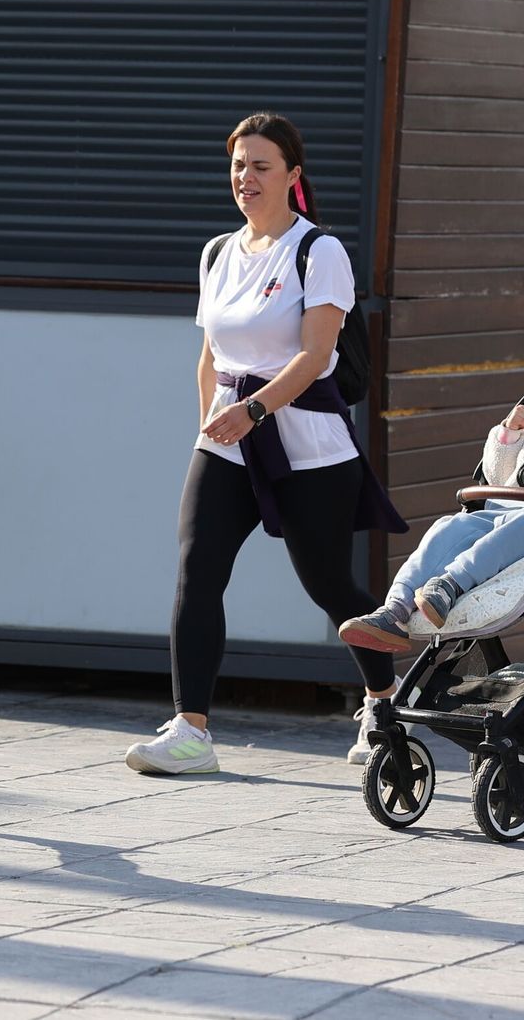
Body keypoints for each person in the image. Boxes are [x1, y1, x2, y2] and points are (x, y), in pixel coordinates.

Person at [124, 112, 407, 777]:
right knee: (198, 571)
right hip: (228, 440)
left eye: (260, 166)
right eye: (237, 166)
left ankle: (382, 702)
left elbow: (316, 357)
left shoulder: (319, 251)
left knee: (330, 585)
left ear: (292, 177)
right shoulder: (218, 252)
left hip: (308, 445)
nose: (245, 179)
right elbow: (209, 355)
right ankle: (190, 728)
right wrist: (210, 427)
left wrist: (253, 409)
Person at [341, 310, 524, 648]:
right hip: (509, 511)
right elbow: (497, 475)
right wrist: (510, 436)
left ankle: (450, 584)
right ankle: (394, 610)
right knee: (450, 527)